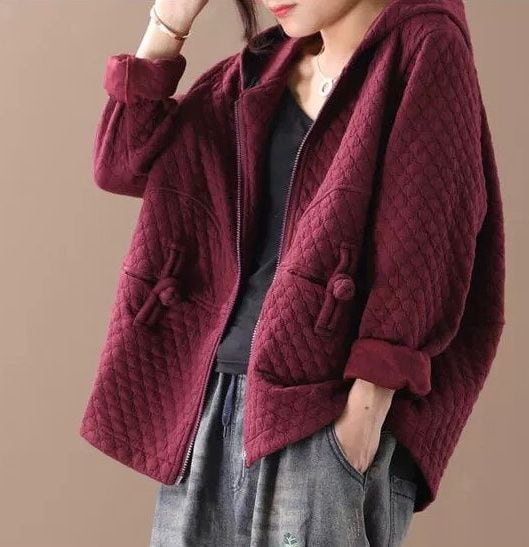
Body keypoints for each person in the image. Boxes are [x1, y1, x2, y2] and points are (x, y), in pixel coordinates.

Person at [79, 0, 506, 545]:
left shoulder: (426, 46)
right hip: (210, 400)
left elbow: (427, 244)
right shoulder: (261, 72)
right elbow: (120, 163)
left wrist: (363, 414)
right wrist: (171, 18)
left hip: (323, 411)